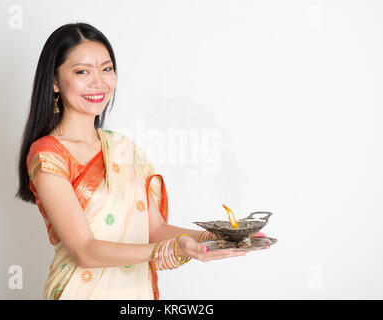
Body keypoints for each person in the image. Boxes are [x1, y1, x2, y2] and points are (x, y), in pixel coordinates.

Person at [16, 22, 262, 300]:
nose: (99, 82)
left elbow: (154, 229)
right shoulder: (48, 154)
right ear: (55, 81)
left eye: (106, 69)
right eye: (82, 71)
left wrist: (216, 238)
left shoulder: (124, 149)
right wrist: (168, 251)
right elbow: (84, 250)